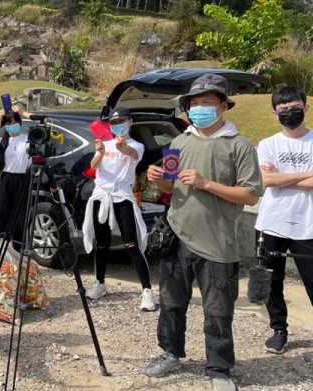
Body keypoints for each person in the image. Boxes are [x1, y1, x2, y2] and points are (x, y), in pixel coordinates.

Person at [145, 74, 263, 391]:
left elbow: (251, 195)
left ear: (223, 107)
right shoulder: (180, 141)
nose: (199, 109)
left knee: (218, 311)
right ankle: (170, 353)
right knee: (170, 303)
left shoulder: (239, 146)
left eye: (206, 103)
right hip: (178, 236)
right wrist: (156, 178)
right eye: (194, 104)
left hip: (218, 243)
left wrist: (206, 183)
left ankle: (219, 369)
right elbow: (169, 186)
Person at [254, 85, 313, 355]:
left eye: (295, 108)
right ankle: (279, 330)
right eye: (284, 111)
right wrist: (305, 176)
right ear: (275, 114)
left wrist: (282, 178)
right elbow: (266, 180)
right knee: (270, 281)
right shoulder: (267, 144)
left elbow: (275, 180)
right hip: (271, 223)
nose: (290, 113)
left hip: (308, 224)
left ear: (306, 107)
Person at [81, 107, 155, 311]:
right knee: (102, 243)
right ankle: (100, 283)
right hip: (101, 196)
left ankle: (147, 291)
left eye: (121, 121)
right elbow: (94, 166)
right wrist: (100, 152)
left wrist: (123, 148)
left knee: (131, 243)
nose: (117, 126)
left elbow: (131, 154)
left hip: (122, 196)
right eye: (113, 123)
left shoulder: (136, 145)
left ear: (130, 122)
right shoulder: (104, 143)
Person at [0, 107, 30, 250]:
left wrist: (23, 112)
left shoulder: (27, 138)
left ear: (20, 123)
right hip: (6, 179)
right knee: (4, 212)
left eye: (15, 122)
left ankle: (19, 246)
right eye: (8, 123)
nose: (12, 125)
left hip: (23, 179)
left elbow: (44, 122)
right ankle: (4, 245)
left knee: (21, 215)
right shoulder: (3, 141)